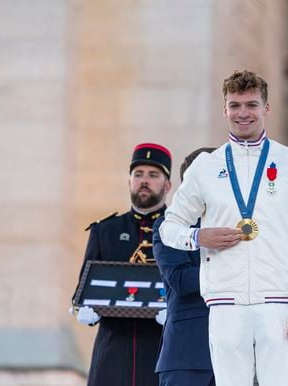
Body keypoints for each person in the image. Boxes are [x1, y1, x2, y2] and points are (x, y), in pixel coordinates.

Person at [159, 69, 288, 386]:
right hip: (224, 301)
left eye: (251, 105)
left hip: (279, 302)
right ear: (224, 110)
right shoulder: (205, 167)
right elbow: (170, 227)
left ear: (266, 108)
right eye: (235, 106)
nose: (243, 113)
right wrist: (197, 236)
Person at [72, 143, 172, 386]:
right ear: (129, 182)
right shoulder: (105, 231)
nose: (144, 181)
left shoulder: (181, 231)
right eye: (138, 175)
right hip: (113, 353)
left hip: (163, 352)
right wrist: (84, 309)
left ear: (167, 185)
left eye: (153, 175)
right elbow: (84, 289)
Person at [152, 147, 217, 386]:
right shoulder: (169, 225)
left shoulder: (242, 226)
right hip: (188, 354)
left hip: (238, 352)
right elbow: (181, 280)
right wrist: (233, 272)